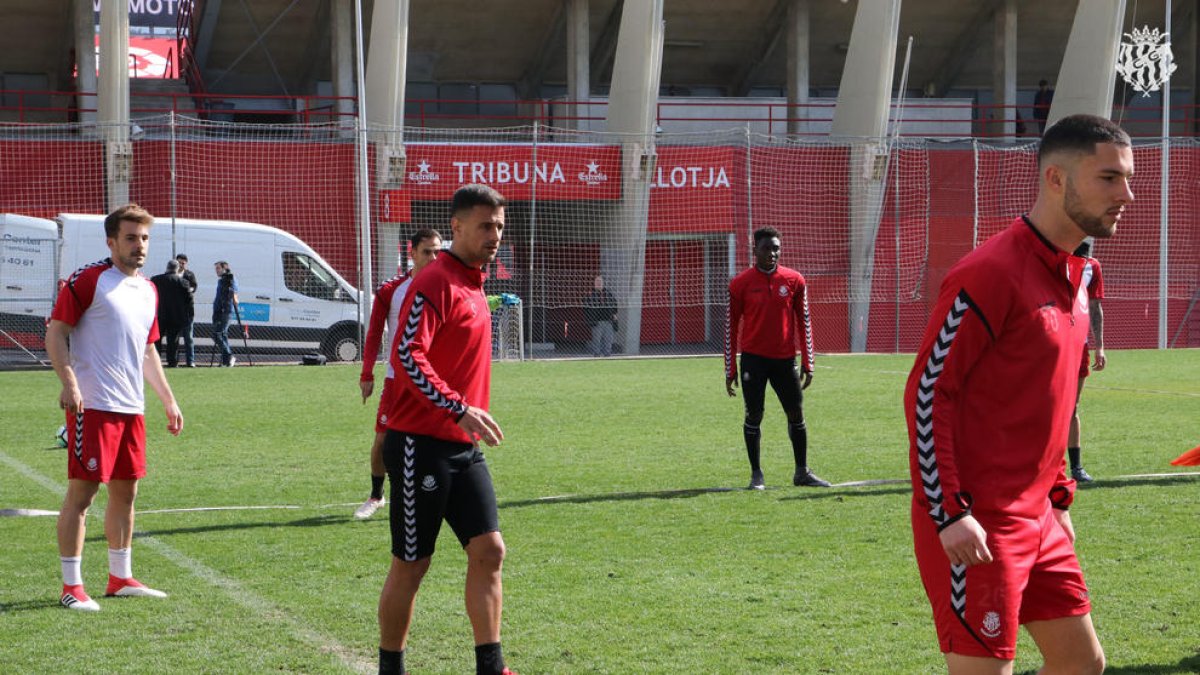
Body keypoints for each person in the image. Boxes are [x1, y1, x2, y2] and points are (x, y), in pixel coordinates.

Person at [903, 114, 1132, 674]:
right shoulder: (988, 273)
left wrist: (1059, 496)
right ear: (1056, 179)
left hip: (1041, 519)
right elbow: (928, 393)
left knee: (1083, 664)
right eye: (1108, 179)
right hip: (977, 523)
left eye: (1128, 179)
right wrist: (948, 512)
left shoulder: (1081, 275)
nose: (1126, 194)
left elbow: (1051, 405)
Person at [377, 184, 516, 675]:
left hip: (462, 445)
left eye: (499, 225)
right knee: (412, 565)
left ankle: (490, 666)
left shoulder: (475, 281)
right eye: (485, 226)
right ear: (456, 227)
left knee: (489, 550)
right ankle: (390, 667)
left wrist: (463, 417)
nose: (494, 235)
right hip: (420, 445)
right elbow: (407, 356)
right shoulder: (435, 281)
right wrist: (457, 407)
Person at [45, 203, 184, 611]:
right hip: (94, 406)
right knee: (82, 494)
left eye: (144, 238)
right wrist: (69, 383)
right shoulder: (88, 280)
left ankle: (120, 577)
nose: (139, 246)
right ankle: (72, 586)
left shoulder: (149, 289)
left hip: (130, 408)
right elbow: (56, 334)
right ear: (111, 241)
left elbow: (147, 350)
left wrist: (168, 399)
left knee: (127, 492)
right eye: (130, 237)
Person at [725, 227, 829, 490]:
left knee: (796, 413)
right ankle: (756, 474)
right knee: (754, 414)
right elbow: (731, 327)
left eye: (776, 248)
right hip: (753, 361)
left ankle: (802, 472)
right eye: (767, 248)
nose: (772, 253)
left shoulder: (794, 280)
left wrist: (808, 362)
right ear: (755, 250)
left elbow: (804, 321)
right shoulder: (740, 284)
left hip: (784, 360)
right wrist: (730, 369)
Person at [355, 228, 443, 520]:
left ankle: (431, 491)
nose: (433, 257)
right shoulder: (392, 290)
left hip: (434, 381)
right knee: (383, 440)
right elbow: (374, 333)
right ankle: (376, 495)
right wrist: (367, 373)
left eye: (437, 252)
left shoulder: (445, 288)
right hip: (398, 380)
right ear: (412, 253)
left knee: (435, 440)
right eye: (427, 251)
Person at [1067, 240, 1106, 483]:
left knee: (1072, 407)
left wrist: (1100, 346)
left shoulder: (1092, 266)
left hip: (1079, 346)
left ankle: (1076, 467)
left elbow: (1095, 307)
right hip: (1051, 346)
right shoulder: (1050, 262)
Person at [150, 260, 194, 368]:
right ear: (177, 269)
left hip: (159, 314)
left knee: (157, 340)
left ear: (167, 267)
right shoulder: (183, 282)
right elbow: (189, 300)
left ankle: (156, 361)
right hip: (176, 316)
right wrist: (189, 314)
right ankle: (172, 362)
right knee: (173, 340)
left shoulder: (155, 280)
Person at [211, 261, 239, 367]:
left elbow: (234, 292)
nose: (216, 271)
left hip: (226, 310)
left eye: (218, 268)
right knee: (223, 335)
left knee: (217, 334)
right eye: (216, 269)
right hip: (218, 310)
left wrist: (234, 298)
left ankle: (229, 355)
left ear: (224, 268)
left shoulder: (231, 279)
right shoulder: (221, 281)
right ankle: (226, 360)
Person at [582, 275, 618, 357]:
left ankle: (607, 355)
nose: (598, 283)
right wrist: (590, 317)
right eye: (597, 281)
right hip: (597, 321)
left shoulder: (608, 294)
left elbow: (615, 304)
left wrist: (614, 314)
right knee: (596, 340)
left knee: (608, 340)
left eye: (600, 281)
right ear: (594, 283)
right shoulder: (590, 294)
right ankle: (597, 356)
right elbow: (585, 306)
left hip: (608, 321)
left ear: (603, 283)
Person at [175, 253, 198, 367]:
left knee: (188, 337)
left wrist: (189, 289)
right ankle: (174, 361)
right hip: (175, 310)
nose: (181, 265)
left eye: (183, 263)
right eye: (179, 262)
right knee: (175, 338)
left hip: (187, 311)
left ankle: (191, 361)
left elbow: (194, 287)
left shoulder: (190, 274)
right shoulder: (173, 274)